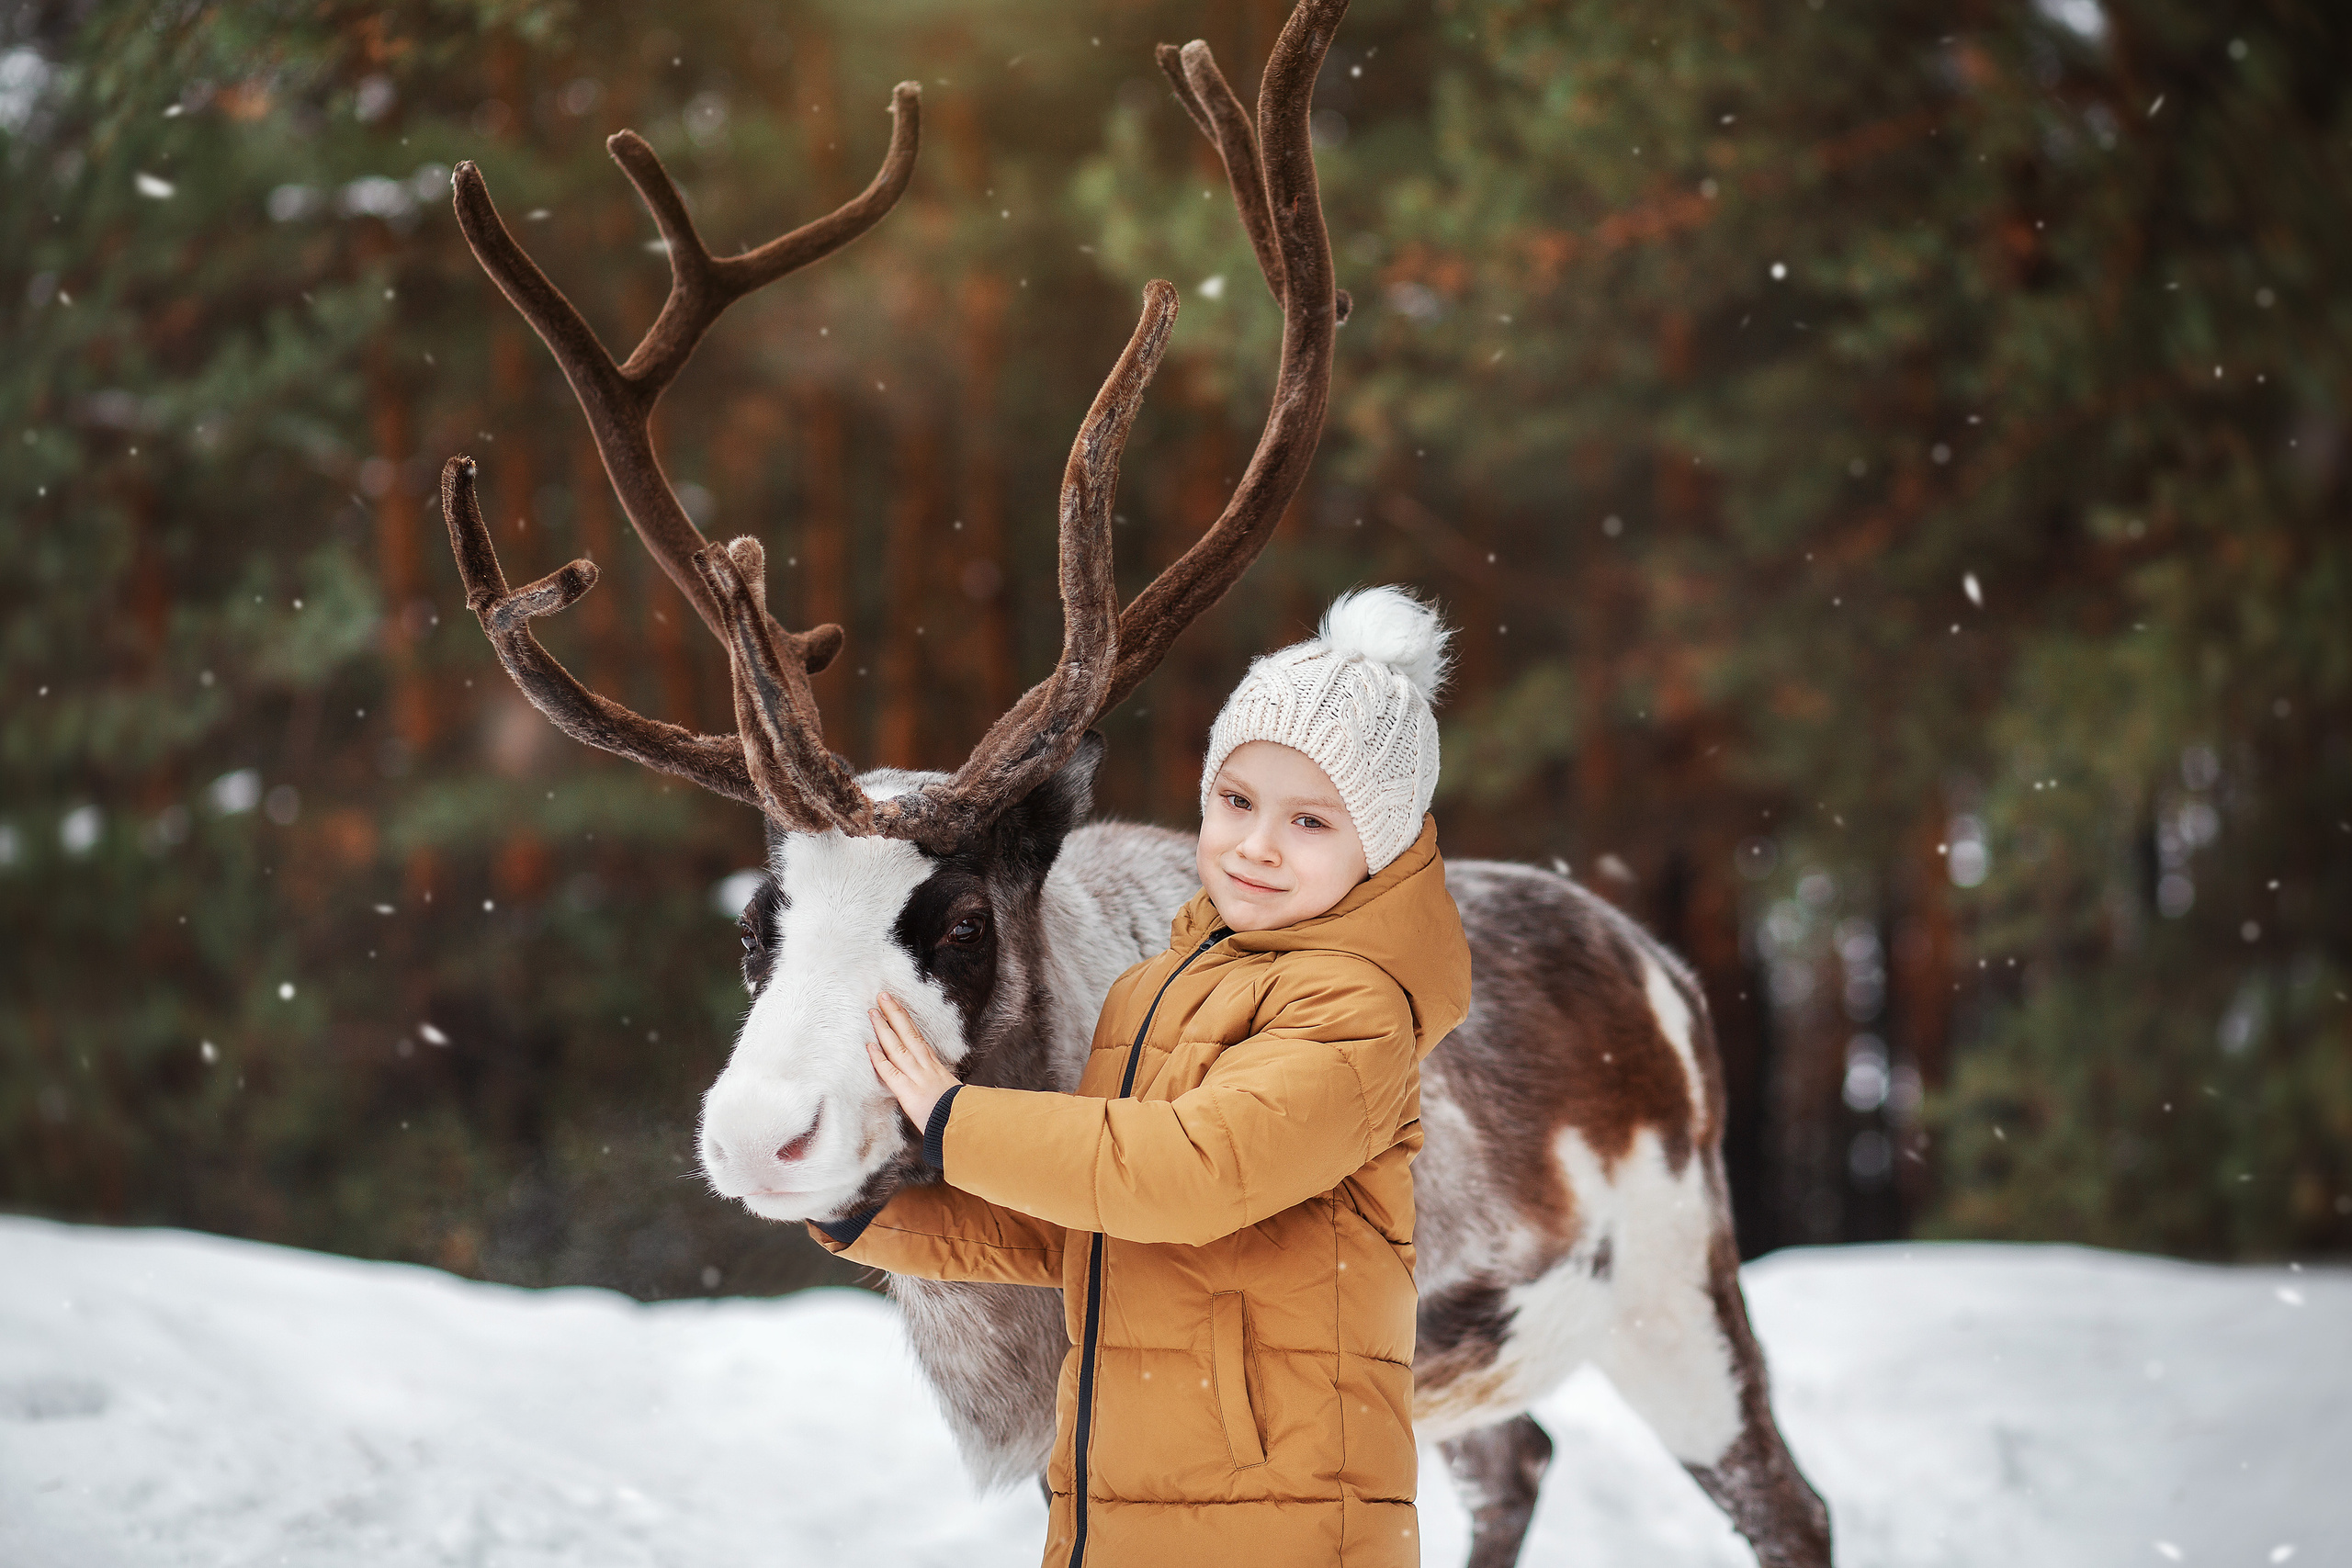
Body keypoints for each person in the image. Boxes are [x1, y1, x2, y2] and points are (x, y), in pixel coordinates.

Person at [814, 586, 1471, 1568]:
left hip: (1281, 1519)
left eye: (1310, 823)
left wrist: (955, 1120)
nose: (1255, 845)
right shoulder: (1157, 993)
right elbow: (1098, 1231)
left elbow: (1187, 1173)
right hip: (1129, 1507)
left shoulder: (1353, 1012)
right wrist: (874, 1215)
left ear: (1376, 848)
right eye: (1238, 802)